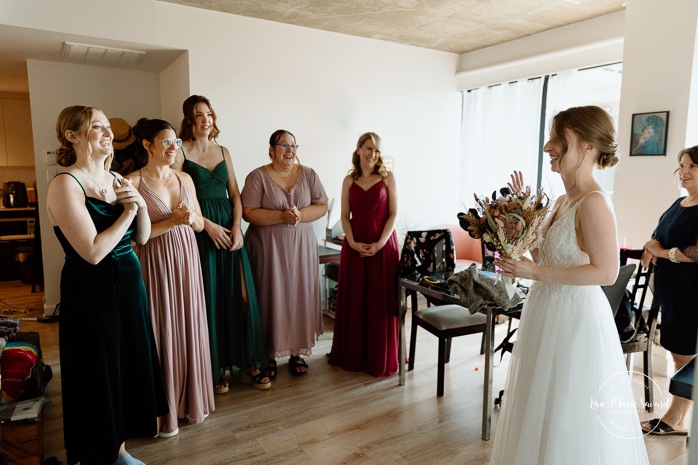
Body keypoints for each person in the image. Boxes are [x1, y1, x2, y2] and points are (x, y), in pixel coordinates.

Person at [491, 106, 649, 464]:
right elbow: (546, 255)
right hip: (546, 311)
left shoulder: (594, 203)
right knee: (541, 410)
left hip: (575, 321)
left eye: (560, 139)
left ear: (589, 146)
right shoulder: (563, 200)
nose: (548, 146)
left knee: (568, 417)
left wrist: (535, 274)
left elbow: (606, 272)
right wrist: (521, 213)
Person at [46, 106, 168, 465]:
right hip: (92, 292)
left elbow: (142, 239)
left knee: (128, 365)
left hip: (130, 288)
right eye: (96, 126)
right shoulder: (65, 184)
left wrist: (139, 206)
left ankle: (119, 450)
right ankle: (102, 453)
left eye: (107, 126)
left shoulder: (117, 178)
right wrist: (128, 212)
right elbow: (93, 252)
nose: (107, 132)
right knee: (99, 371)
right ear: (72, 136)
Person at [128, 118, 215, 438]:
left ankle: (191, 402)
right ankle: (164, 412)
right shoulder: (132, 182)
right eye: (165, 142)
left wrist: (192, 220)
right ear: (147, 145)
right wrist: (173, 221)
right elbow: (134, 237)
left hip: (187, 259)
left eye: (176, 142)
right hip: (155, 261)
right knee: (161, 327)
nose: (172, 148)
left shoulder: (185, 178)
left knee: (189, 325)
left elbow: (200, 224)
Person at [177, 95, 269, 392]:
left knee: (242, 298)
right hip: (202, 233)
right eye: (199, 115)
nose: (206, 120)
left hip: (230, 232)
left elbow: (235, 195)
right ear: (189, 120)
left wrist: (238, 228)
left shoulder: (223, 150)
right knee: (211, 300)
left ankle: (249, 363)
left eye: (209, 114)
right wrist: (208, 227)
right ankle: (215, 368)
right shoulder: (180, 151)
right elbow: (181, 198)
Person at [241, 129, 328, 377]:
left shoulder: (309, 175)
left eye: (293, 146)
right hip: (269, 249)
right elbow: (248, 212)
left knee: (299, 296)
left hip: (301, 248)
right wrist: (281, 216)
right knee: (270, 296)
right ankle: (267, 354)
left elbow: (321, 206)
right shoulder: (257, 177)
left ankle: (296, 352)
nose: (290, 150)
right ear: (271, 149)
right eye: (283, 145)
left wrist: (300, 215)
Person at [327, 132, 399, 377]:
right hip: (355, 247)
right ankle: (354, 354)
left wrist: (379, 244)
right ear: (358, 150)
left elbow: (393, 214)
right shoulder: (349, 181)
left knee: (380, 302)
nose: (373, 154)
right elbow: (344, 217)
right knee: (357, 299)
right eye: (368, 149)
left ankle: (380, 356)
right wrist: (353, 242)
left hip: (383, 246)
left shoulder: (387, 178)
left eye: (376, 150)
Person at [640, 146, 698, 436]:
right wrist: (653, 246)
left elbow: (695, 253)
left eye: (692, 166)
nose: (684, 172)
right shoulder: (679, 203)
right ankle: (678, 418)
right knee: (678, 354)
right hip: (672, 293)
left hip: (692, 294)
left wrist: (661, 252)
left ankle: (675, 419)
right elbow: (657, 235)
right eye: (681, 166)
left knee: (687, 356)